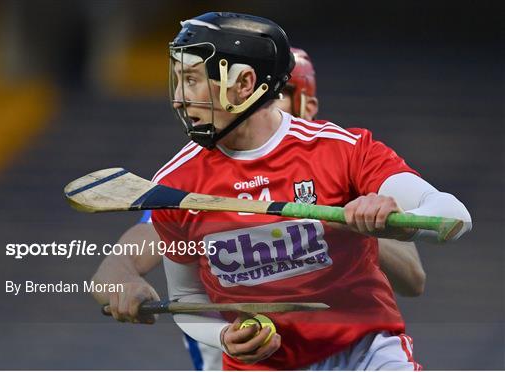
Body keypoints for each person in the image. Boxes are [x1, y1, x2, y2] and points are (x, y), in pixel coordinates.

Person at [95, 12, 472, 370]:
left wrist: (392, 223)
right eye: (178, 80)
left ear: (246, 84)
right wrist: (222, 333)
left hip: (363, 352)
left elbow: (448, 225)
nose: (178, 98)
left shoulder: (342, 152)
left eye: (192, 80)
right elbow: (174, 287)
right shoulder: (176, 183)